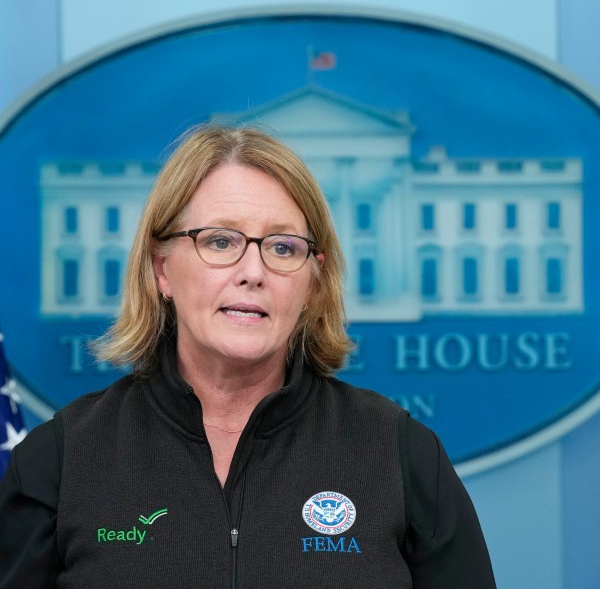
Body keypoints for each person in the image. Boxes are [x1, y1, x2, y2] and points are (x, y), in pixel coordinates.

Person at [0, 126, 496, 588]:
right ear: (162, 270)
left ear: (312, 282)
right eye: (220, 241)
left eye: (282, 248)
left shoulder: (400, 453)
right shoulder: (59, 461)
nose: (253, 271)